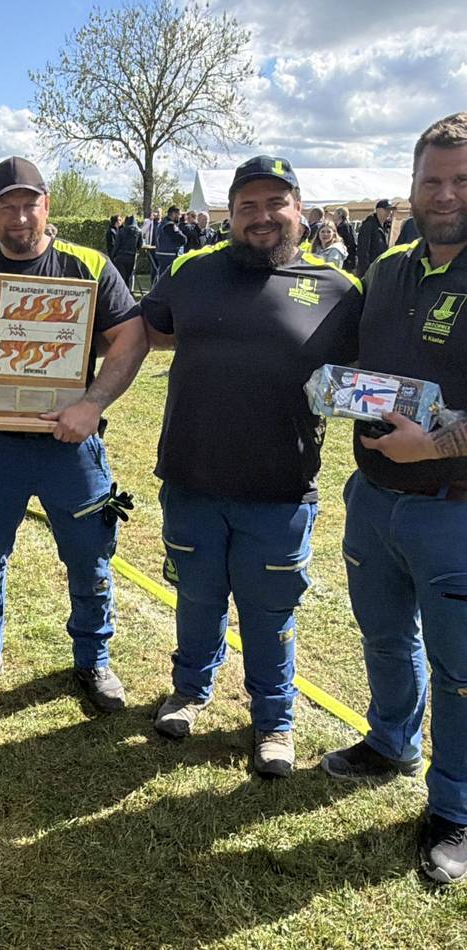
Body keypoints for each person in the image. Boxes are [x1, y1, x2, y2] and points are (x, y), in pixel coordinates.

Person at [141, 155, 363, 777]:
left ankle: (274, 720)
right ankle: (189, 691)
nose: (261, 217)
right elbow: (148, 332)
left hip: (280, 488)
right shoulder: (191, 272)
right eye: (247, 206)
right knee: (196, 595)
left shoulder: (339, 291)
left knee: (269, 611)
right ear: (229, 214)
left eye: (275, 203)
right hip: (190, 478)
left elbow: (365, 380)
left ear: (299, 208)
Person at [0, 156, 148, 712]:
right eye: (6, 207)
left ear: (47, 206)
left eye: (29, 204)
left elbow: (131, 338)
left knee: (90, 556)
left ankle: (93, 661)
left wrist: (92, 404)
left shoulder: (88, 264)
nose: (19, 218)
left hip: (71, 443)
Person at [319, 112, 467, 885]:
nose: (444, 194)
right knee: (383, 636)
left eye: (461, 180)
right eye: (431, 180)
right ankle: (391, 742)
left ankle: (457, 809)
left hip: (455, 507)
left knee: (461, 668)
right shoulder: (388, 269)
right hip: (373, 496)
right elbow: (356, 369)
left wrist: (436, 444)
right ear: (409, 188)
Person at [355, 199, 395, 276]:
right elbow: (363, 250)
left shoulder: (386, 227)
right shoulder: (368, 225)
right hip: (370, 270)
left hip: (381, 269)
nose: (389, 213)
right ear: (378, 210)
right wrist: (366, 271)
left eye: (390, 210)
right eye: (386, 210)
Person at [111, 214, 141, 287]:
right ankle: (126, 293)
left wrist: (112, 256)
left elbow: (116, 246)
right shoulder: (138, 232)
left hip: (121, 257)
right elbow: (140, 245)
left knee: (120, 278)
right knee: (128, 278)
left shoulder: (121, 231)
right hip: (131, 257)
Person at [155, 206, 186, 272]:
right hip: (169, 254)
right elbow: (182, 239)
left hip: (163, 253)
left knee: (162, 275)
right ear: (173, 214)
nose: (180, 217)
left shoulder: (162, 223)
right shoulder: (169, 225)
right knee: (167, 277)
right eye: (179, 214)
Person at [335, 207, 358, 272]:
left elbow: (351, 242)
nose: (333, 215)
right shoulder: (340, 226)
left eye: (335, 213)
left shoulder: (345, 226)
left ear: (340, 214)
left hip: (347, 259)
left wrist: (349, 257)